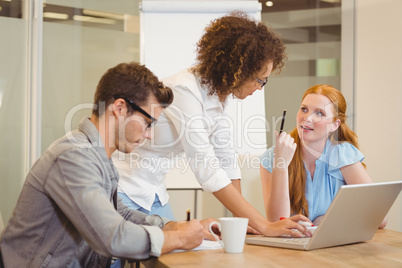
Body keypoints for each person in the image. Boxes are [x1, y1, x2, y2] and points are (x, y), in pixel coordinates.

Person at [112, 12, 312, 237]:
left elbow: (226, 158)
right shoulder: (184, 90)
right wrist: (264, 225)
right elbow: (205, 165)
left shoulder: (219, 97)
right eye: (259, 79)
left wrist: (244, 220)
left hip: (154, 193)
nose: (260, 87)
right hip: (124, 189)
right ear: (238, 70)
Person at [0, 62, 213, 268]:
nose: (149, 135)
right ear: (120, 108)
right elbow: (113, 237)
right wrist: (180, 239)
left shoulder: (97, 157)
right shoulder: (73, 157)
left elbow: (120, 213)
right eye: (148, 123)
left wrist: (173, 226)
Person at [260, 84, 387, 228]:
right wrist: (281, 165)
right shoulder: (271, 157)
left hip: (332, 246)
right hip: (290, 247)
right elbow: (277, 222)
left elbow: (380, 218)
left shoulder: (342, 154)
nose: (307, 118)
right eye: (304, 109)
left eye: (319, 113)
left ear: (334, 125)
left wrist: (327, 219)